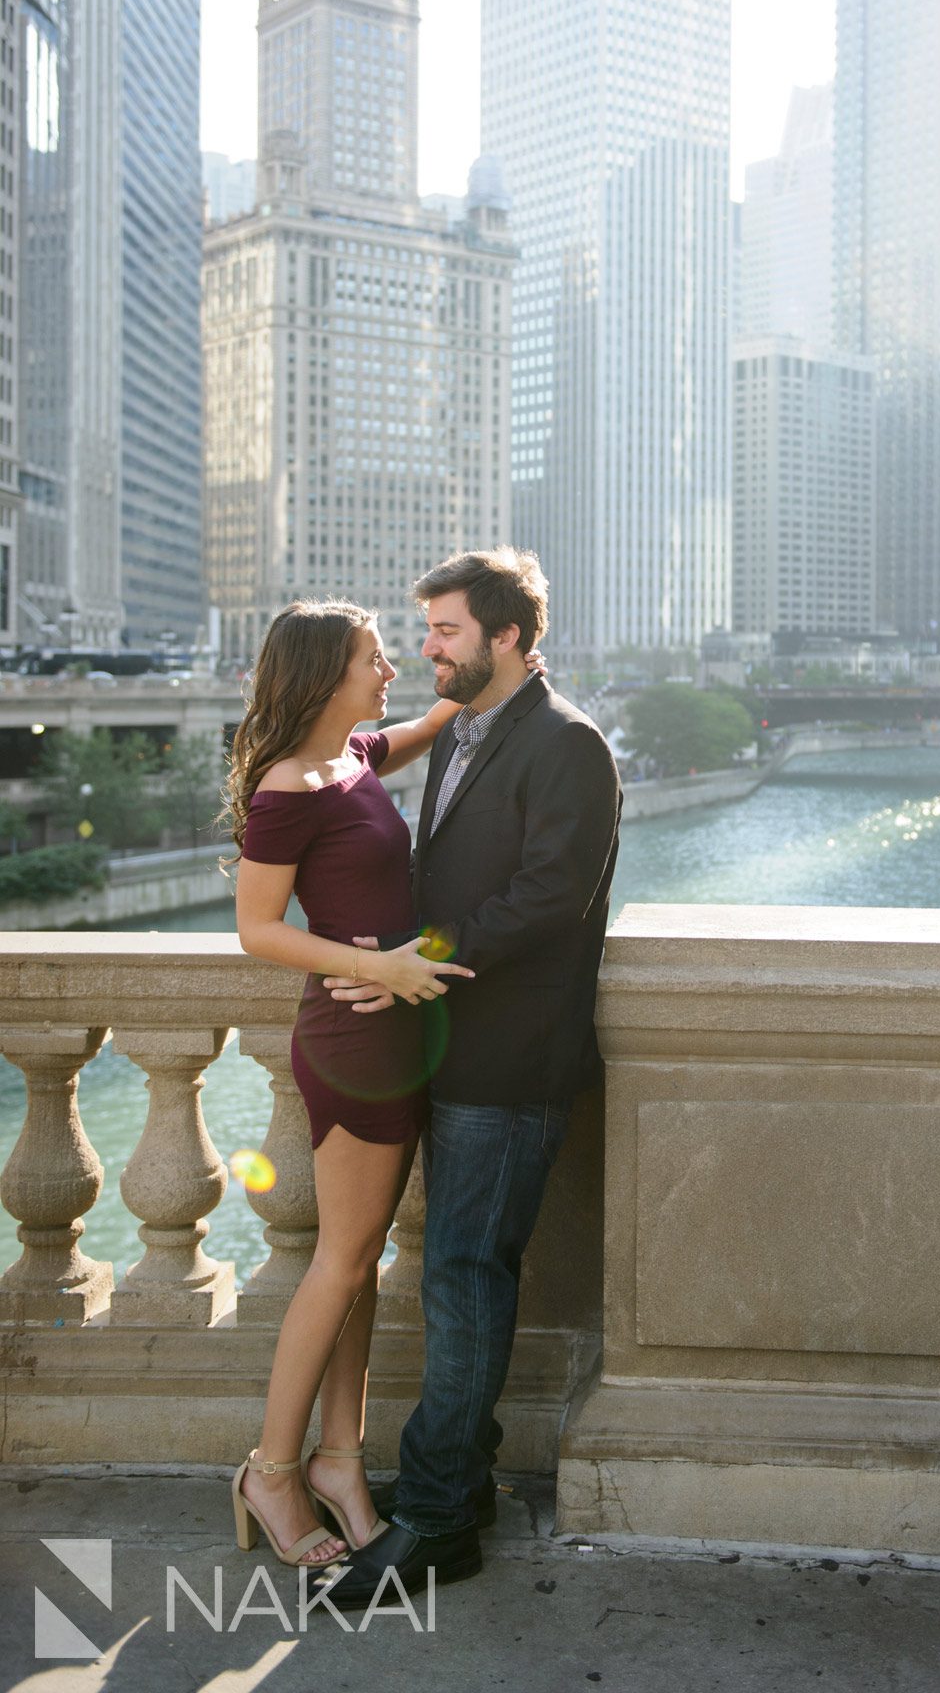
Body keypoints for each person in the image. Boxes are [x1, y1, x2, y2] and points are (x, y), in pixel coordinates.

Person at [317, 546, 621, 1609]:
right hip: (451, 1052)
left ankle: (440, 1518)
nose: (426, 647)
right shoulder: (464, 729)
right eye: (427, 628)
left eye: (445, 630)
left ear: (508, 638)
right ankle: (459, 1479)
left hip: (510, 1060)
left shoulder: (567, 742)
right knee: (454, 1276)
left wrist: (418, 960)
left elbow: (547, 897)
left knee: (461, 1277)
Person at [226, 598, 484, 1567]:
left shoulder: (356, 758)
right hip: (353, 1038)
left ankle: (342, 1458)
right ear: (325, 673)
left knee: (361, 1256)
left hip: (393, 1033)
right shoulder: (290, 785)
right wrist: (378, 965)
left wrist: (498, 668)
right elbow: (256, 927)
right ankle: (274, 1470)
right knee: (340, 1262)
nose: (391, 669)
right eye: (375, 658)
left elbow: (421, 725)